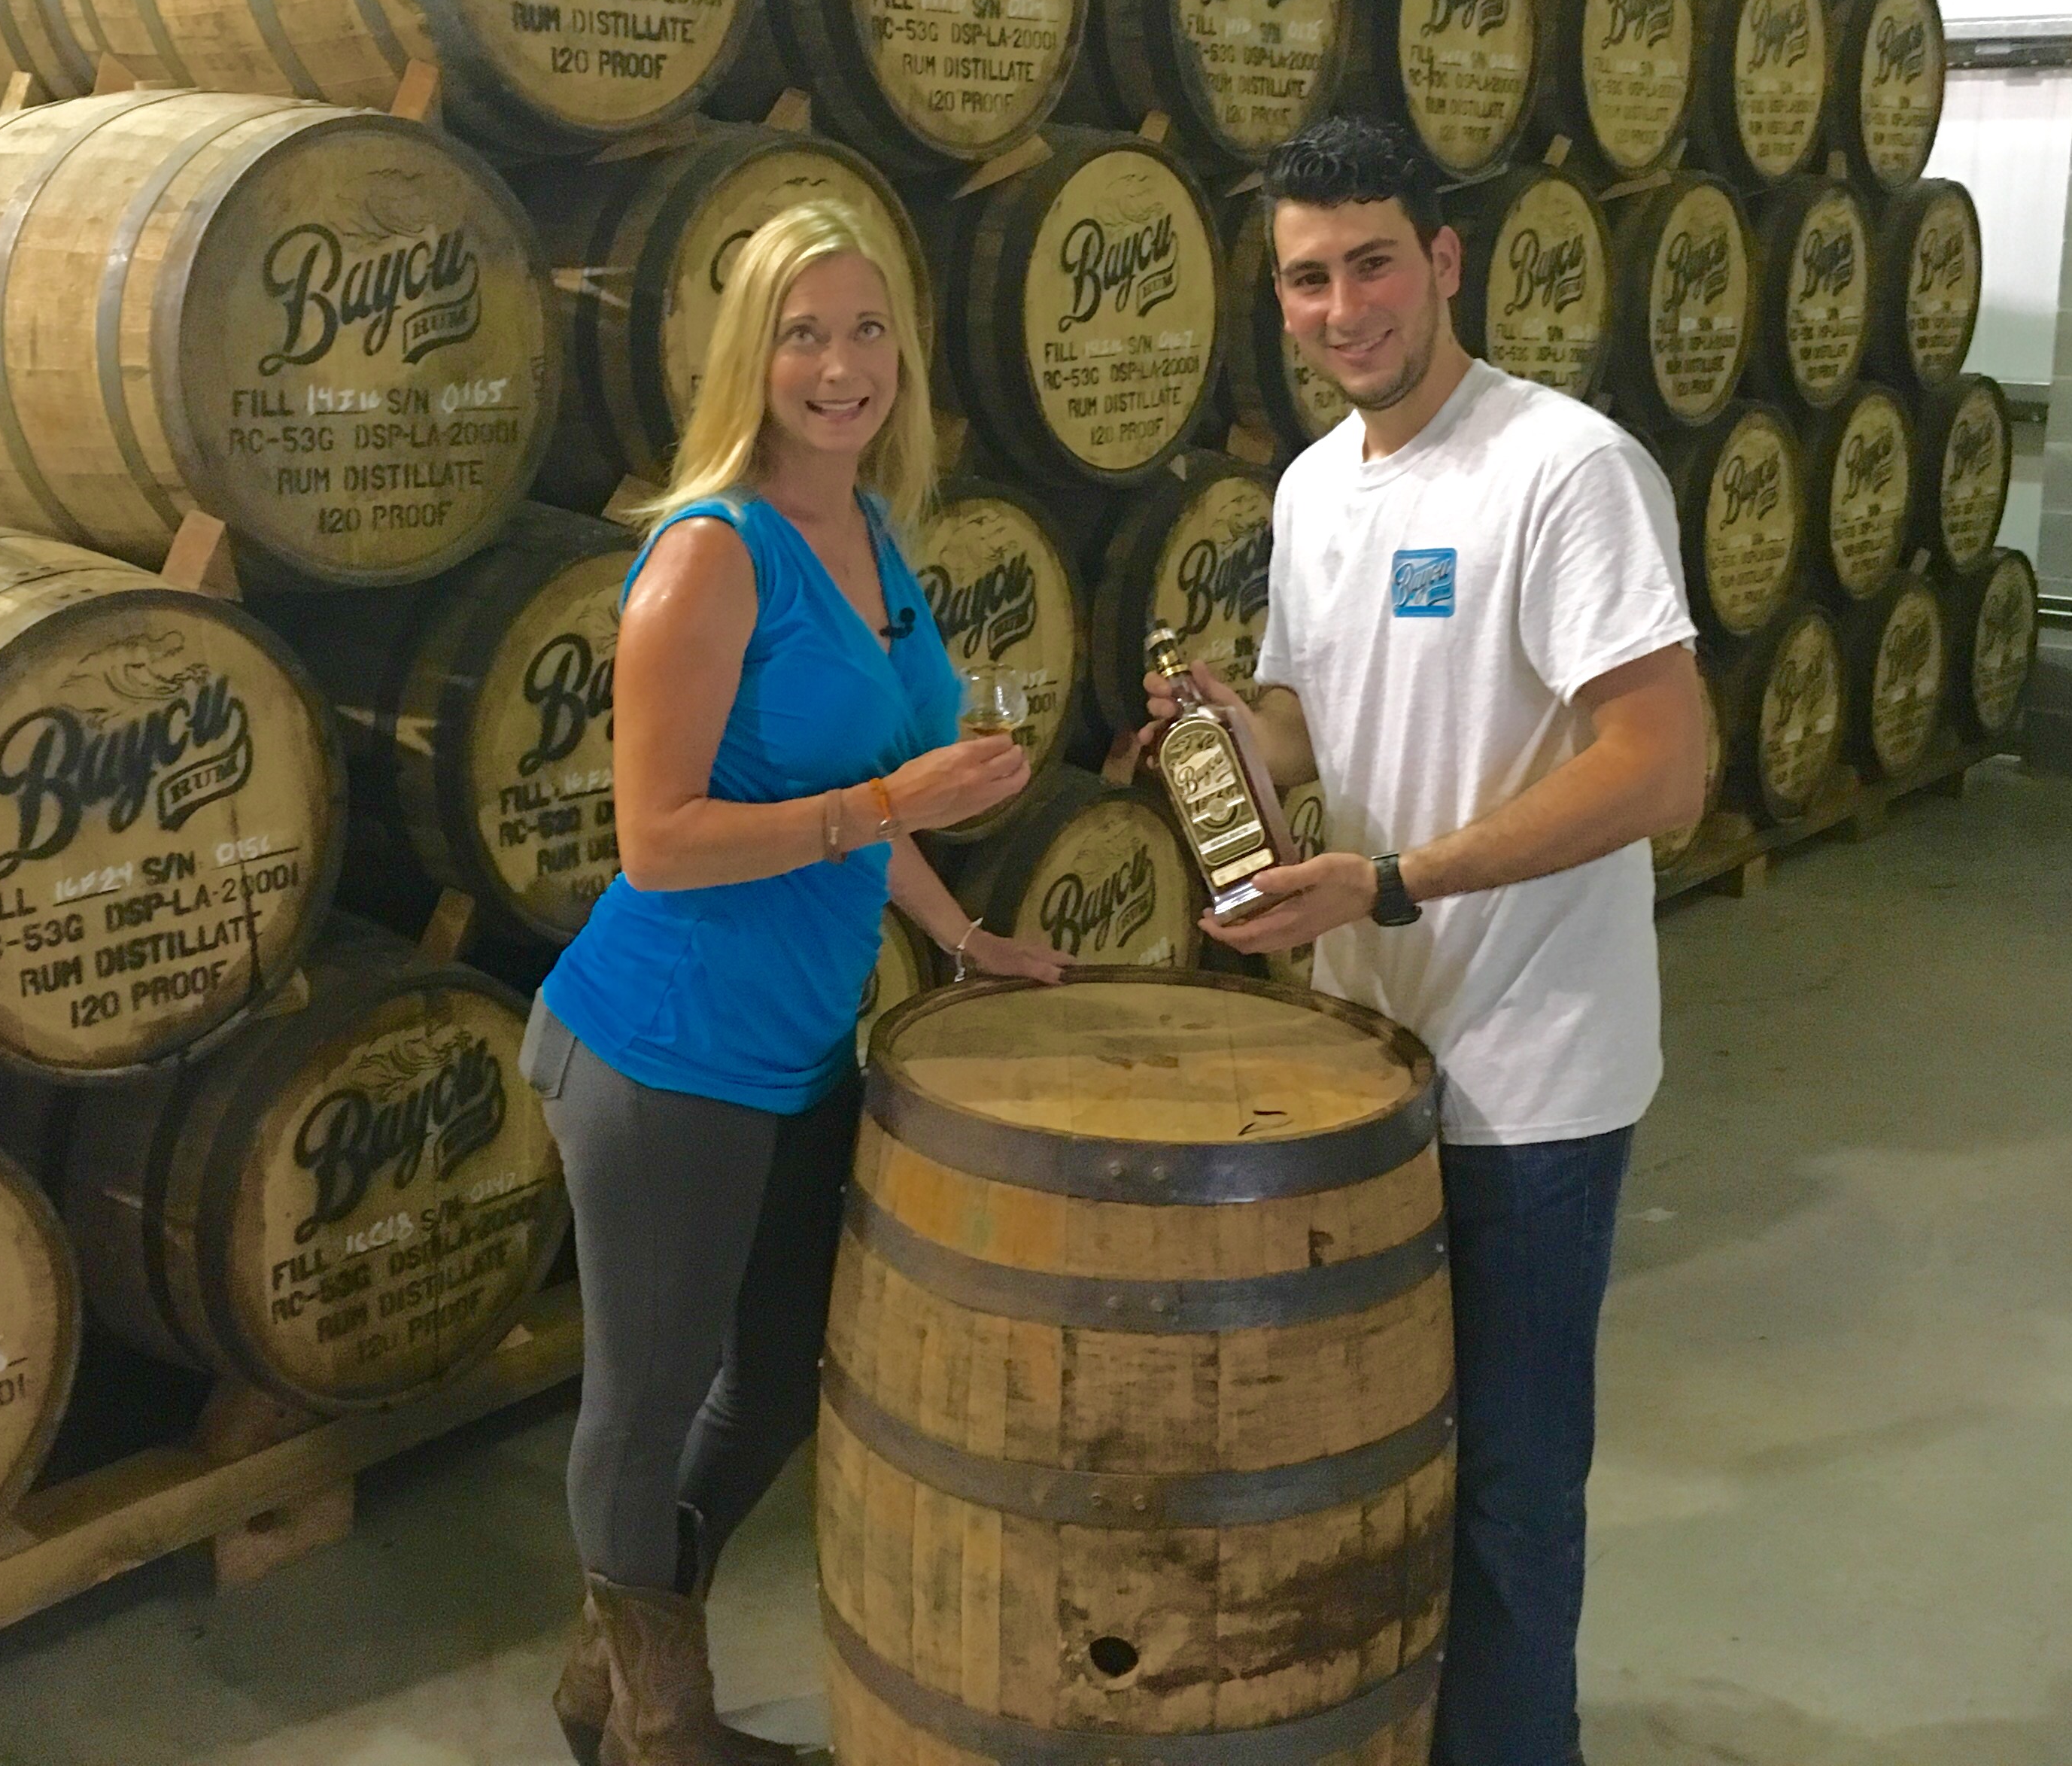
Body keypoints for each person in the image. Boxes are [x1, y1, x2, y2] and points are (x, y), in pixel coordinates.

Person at [1144, 116, 1705, 1766]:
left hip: (1533, 1080)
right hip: (1369, 1064)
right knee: (1376, 1468)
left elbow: (1661, 766)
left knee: (1516, 1494)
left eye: (1374, 261)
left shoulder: (1564, 468)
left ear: (1445, 260)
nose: (1343, 307)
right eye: (1308, 278)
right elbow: (1328, 711)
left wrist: (1392, 881)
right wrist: (1236, 742)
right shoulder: (1318, 485)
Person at [527, 202, 1071, 1766]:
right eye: (803, 334)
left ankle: (612, 1674)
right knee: (642, 1405)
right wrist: (899, 806)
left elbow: (867, 784)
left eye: (869, 329)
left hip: (797, 1046)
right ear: (748, 362)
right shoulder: (708, 556)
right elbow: (663, 840)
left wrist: (962, 936)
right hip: (662, 1050)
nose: (842, 366)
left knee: (775, 1378)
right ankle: (656, 1723)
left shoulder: (876, 530)